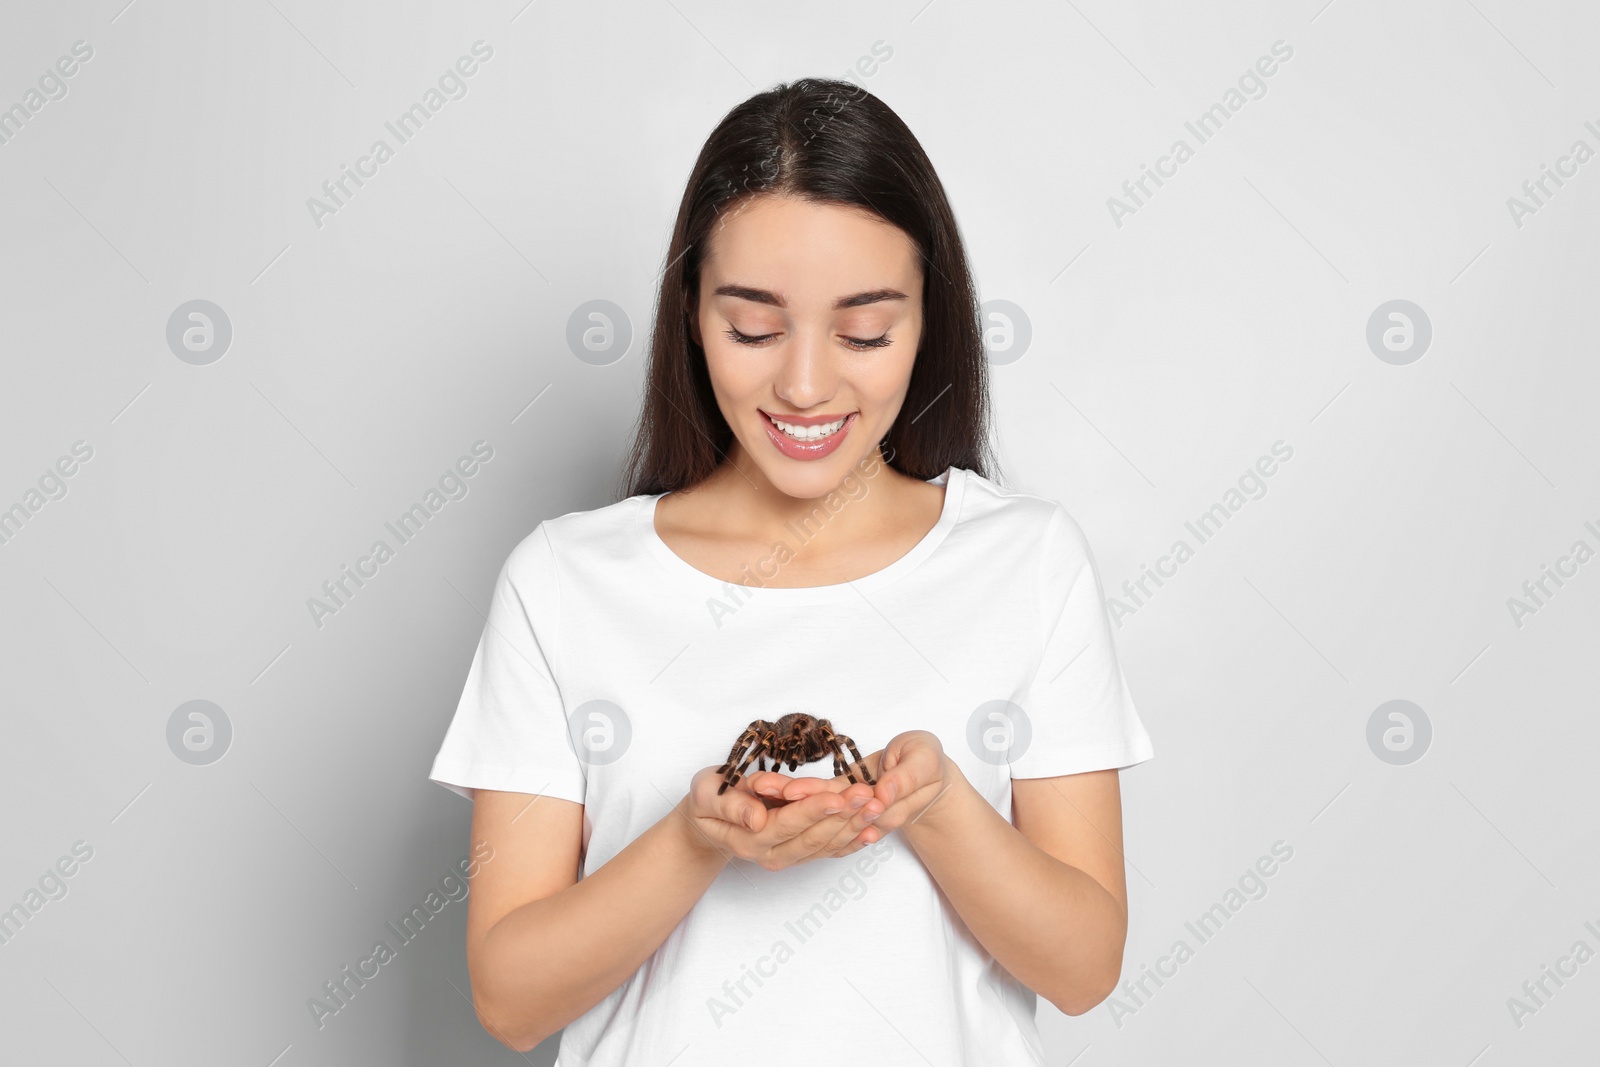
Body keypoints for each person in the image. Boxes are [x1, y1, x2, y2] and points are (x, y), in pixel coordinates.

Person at [427, 76, 1154, 1065]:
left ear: (928, 318)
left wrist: (937, 808)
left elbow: (1083, 967)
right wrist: (695, 838)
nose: (805, 384)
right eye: (753, 327)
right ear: (690, 312)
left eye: (863, 331)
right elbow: (509, 998)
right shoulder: (563, 581)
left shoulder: (1026, 563)